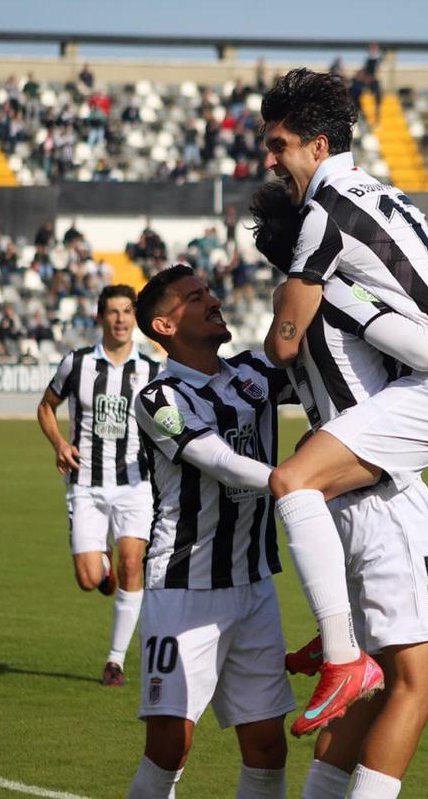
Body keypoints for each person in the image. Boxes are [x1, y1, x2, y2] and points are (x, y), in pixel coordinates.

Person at [259, 67, 428, 737]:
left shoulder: (323, 218)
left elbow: (285, 346)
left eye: (279, 145)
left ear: (318, 146)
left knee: (295, 480)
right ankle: (339, 637)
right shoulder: (387, 196)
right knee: (306, 475)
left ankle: (342, 652)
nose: (270, 160)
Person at [126, 264, 297, 798]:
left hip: (254, 586)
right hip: (184, 589)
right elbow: (218, 461)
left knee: (268, 747)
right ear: (165, 326)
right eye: (195, 298)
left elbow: (321, 357)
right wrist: (287, 480)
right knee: (169, 746)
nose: (213, 301)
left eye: (208, 292)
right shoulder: (160, 399)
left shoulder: (253, 372)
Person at [37, 285, 160, 687]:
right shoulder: (77, 364)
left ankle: (115, 661)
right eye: (113, 312)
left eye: (127, 311)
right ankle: (102, 563)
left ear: (135, 318)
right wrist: (59, 444)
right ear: (101, 317)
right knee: (90, 579)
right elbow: (46, 407)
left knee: (133, 564)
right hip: (86, 484)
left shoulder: (153, 371)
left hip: (135, 484)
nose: (121, 319)